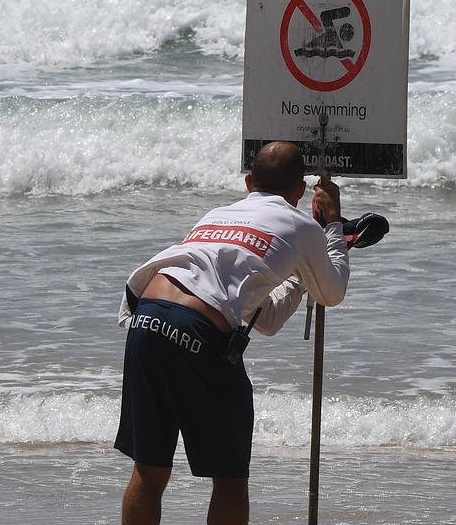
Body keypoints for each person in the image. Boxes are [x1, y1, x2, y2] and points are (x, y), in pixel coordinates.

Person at [114, 141, 350, 525]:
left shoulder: (216, 215)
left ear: (249, 181)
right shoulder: (304, 227)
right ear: (301, 191)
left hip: (146, 316)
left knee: (150, 468)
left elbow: (266, 319)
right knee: (229, 477)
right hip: (196, 328)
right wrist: (335, 227)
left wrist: (299, 279)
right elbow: (333, 291)